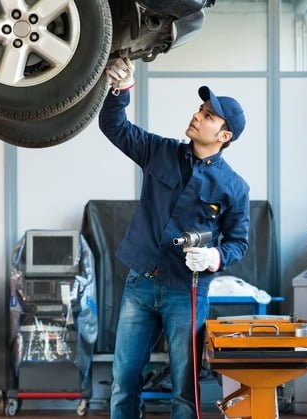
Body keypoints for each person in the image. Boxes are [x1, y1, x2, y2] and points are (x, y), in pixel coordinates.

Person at [99, 57, 251, 419]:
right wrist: (121, 90)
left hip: (187, 291)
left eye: (209, 116)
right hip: (140, 284)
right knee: (123, 381)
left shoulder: (234, 187)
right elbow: (114, 126)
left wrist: (214, 257)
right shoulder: (160, 152)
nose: (197, 116)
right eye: (200, 109)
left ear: (224, 136)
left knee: (184, 389)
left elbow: (238, 242)